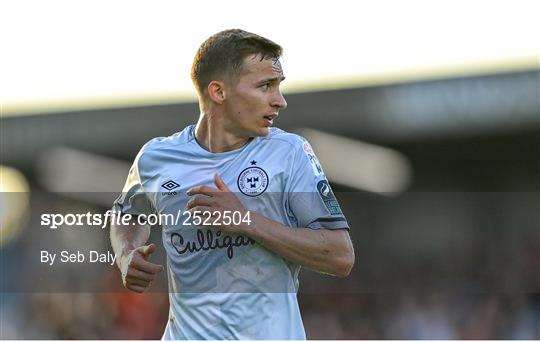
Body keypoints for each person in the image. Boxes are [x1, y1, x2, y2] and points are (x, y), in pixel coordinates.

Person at [110, 29, 354, 340]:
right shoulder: (156, 158)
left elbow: (340, 256)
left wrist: (246, 221)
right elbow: (127, 213)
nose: (280, 101)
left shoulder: (289, 154)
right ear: (218, 92)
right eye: (266, 86)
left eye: (278, 86)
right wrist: (126, 253)